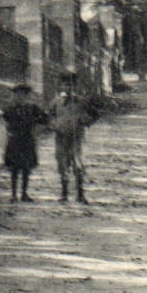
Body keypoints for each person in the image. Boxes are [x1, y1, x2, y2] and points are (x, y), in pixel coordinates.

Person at [47, 70, 100, 203]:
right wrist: (54, 125)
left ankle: (80, 194)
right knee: (62, 164)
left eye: (71, 85)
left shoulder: (81, 101)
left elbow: (95, 114)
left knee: (78, 164)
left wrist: (85, 121)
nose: (68, 88)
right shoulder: (56, 102)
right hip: (61, 137)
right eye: (65, 85)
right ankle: (64, 193)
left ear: (75, 86)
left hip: (76, 137)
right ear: (60, 86)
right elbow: (49, 116)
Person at [1, 84, 48, 202]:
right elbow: (6, 120)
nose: (19, 97)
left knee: (26, 168)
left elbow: (44, 119)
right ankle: (13, 194)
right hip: (15, 140)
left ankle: (24, 193)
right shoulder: (10, 109)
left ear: (26, 96)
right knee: (14, 168)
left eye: (22, 94)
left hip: (27, 139)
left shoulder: (32, 108)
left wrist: (36, 127)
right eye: (17, 94)